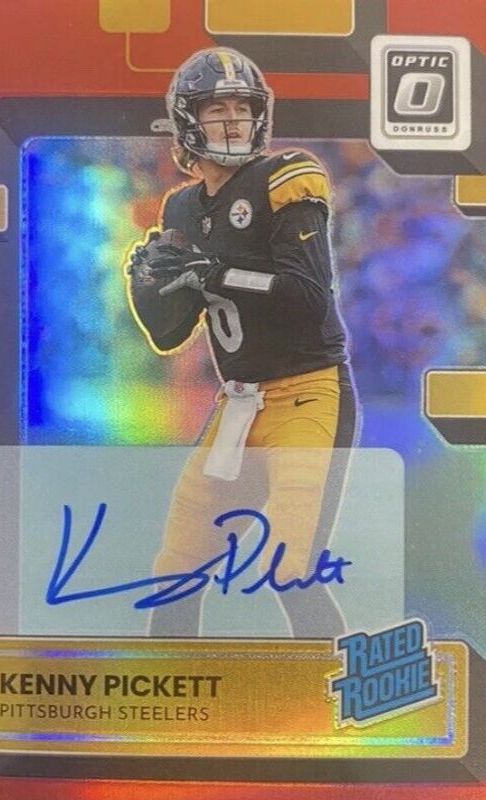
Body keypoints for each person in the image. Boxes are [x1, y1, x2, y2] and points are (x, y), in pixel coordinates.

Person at [126, 47, 358, 638]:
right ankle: (171, 685)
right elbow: (169, 334)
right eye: (216, 108)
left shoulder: (287, 176)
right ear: (188, 120)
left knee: (291, 566)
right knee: (177, 567)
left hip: (308, 394)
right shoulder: (181, 206)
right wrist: (147, 286)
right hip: (238, 402)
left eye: (241, 107)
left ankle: (337, 690)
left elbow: (308, 296)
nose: (232, 120)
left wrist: (214, 272)